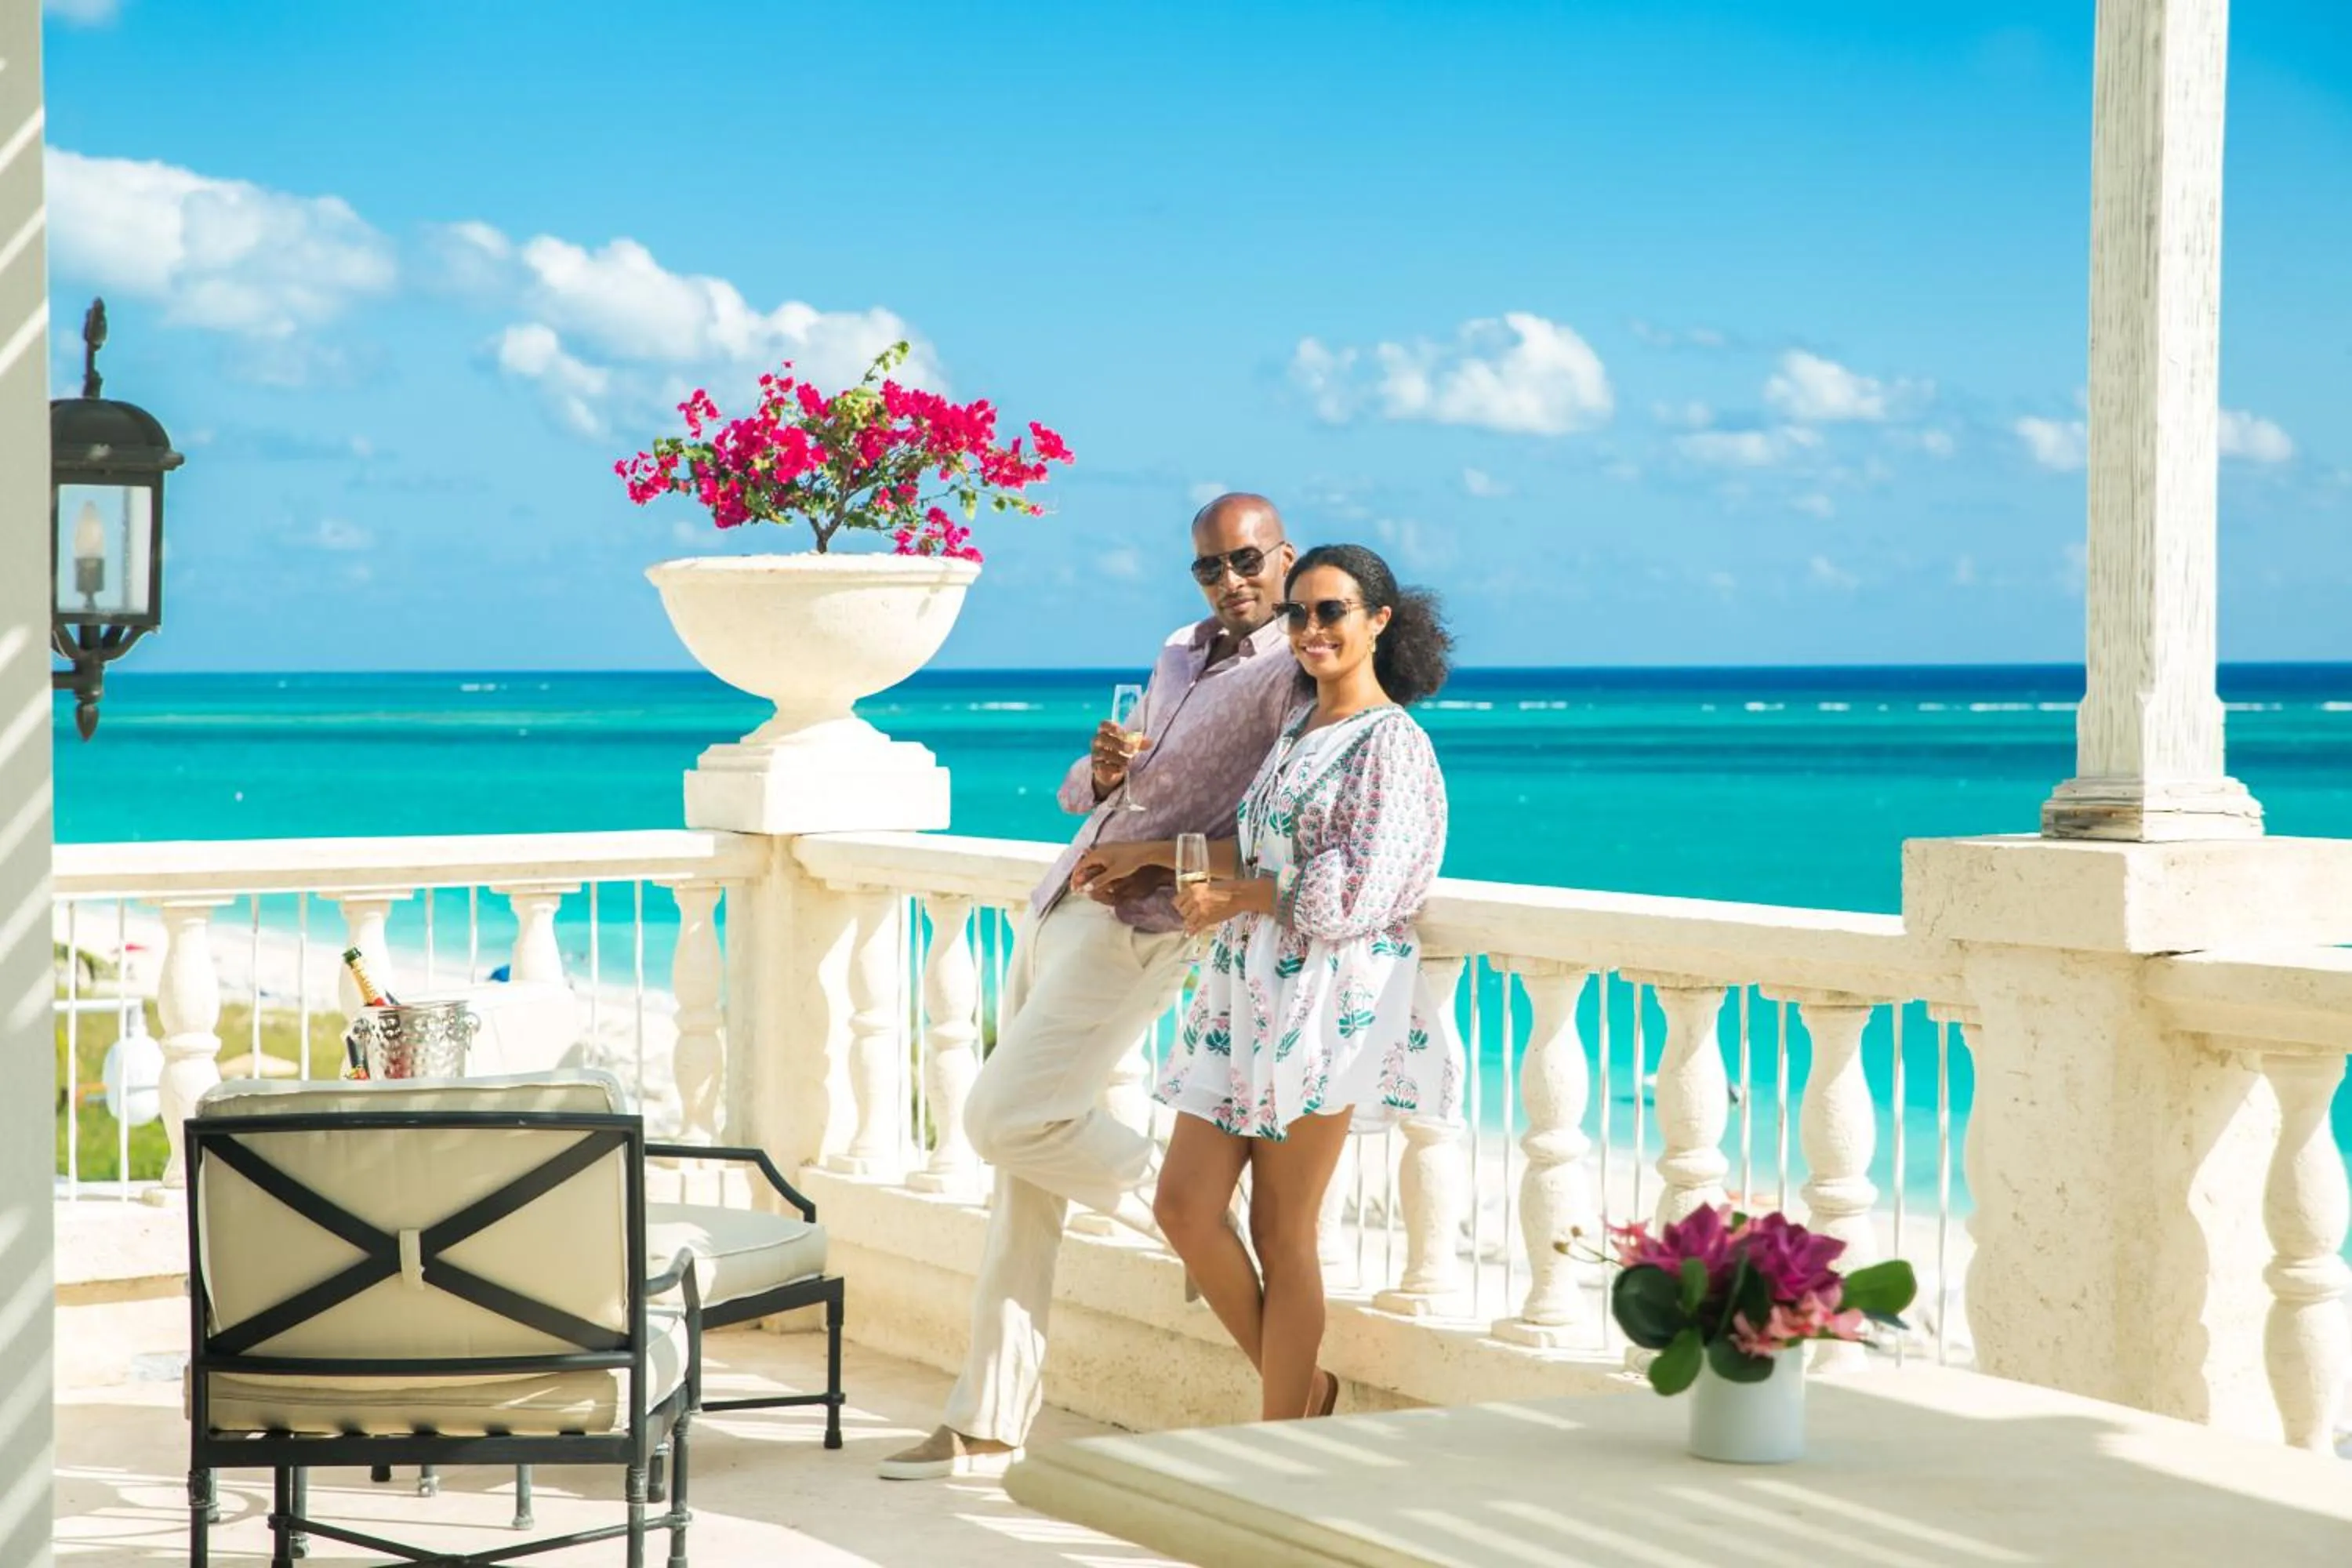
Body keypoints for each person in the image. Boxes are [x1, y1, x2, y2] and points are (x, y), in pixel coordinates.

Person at [879, 493, 1301, 1480]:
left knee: (1002, 1117)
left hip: (1141, 930)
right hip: (1061, 898)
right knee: (1022, 1180)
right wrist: (1105, 768)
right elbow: (1085, 789)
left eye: (1247, 561)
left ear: (1284, 557)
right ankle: (989, 1416)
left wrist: (1154, 846)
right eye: (1209, 566)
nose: (1230, 581)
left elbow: (1273, 833)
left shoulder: (1295, 673)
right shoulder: (1178, 649)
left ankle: (1192, 1213)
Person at [1069, 543, 1454, 1424]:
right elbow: (1259, 847)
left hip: (1326, 999)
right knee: (1184, 1204)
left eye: (1332, 612)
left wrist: (1237, 895)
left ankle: (1283, 1445)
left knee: (1285, 1231)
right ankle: (1306, 1390)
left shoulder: (1393, 745)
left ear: (1379, 623)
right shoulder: (1298, 728)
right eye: (1299, 612)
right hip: (1248, 988)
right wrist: (1149, 857)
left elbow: (1357, 892)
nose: (1311, 629)